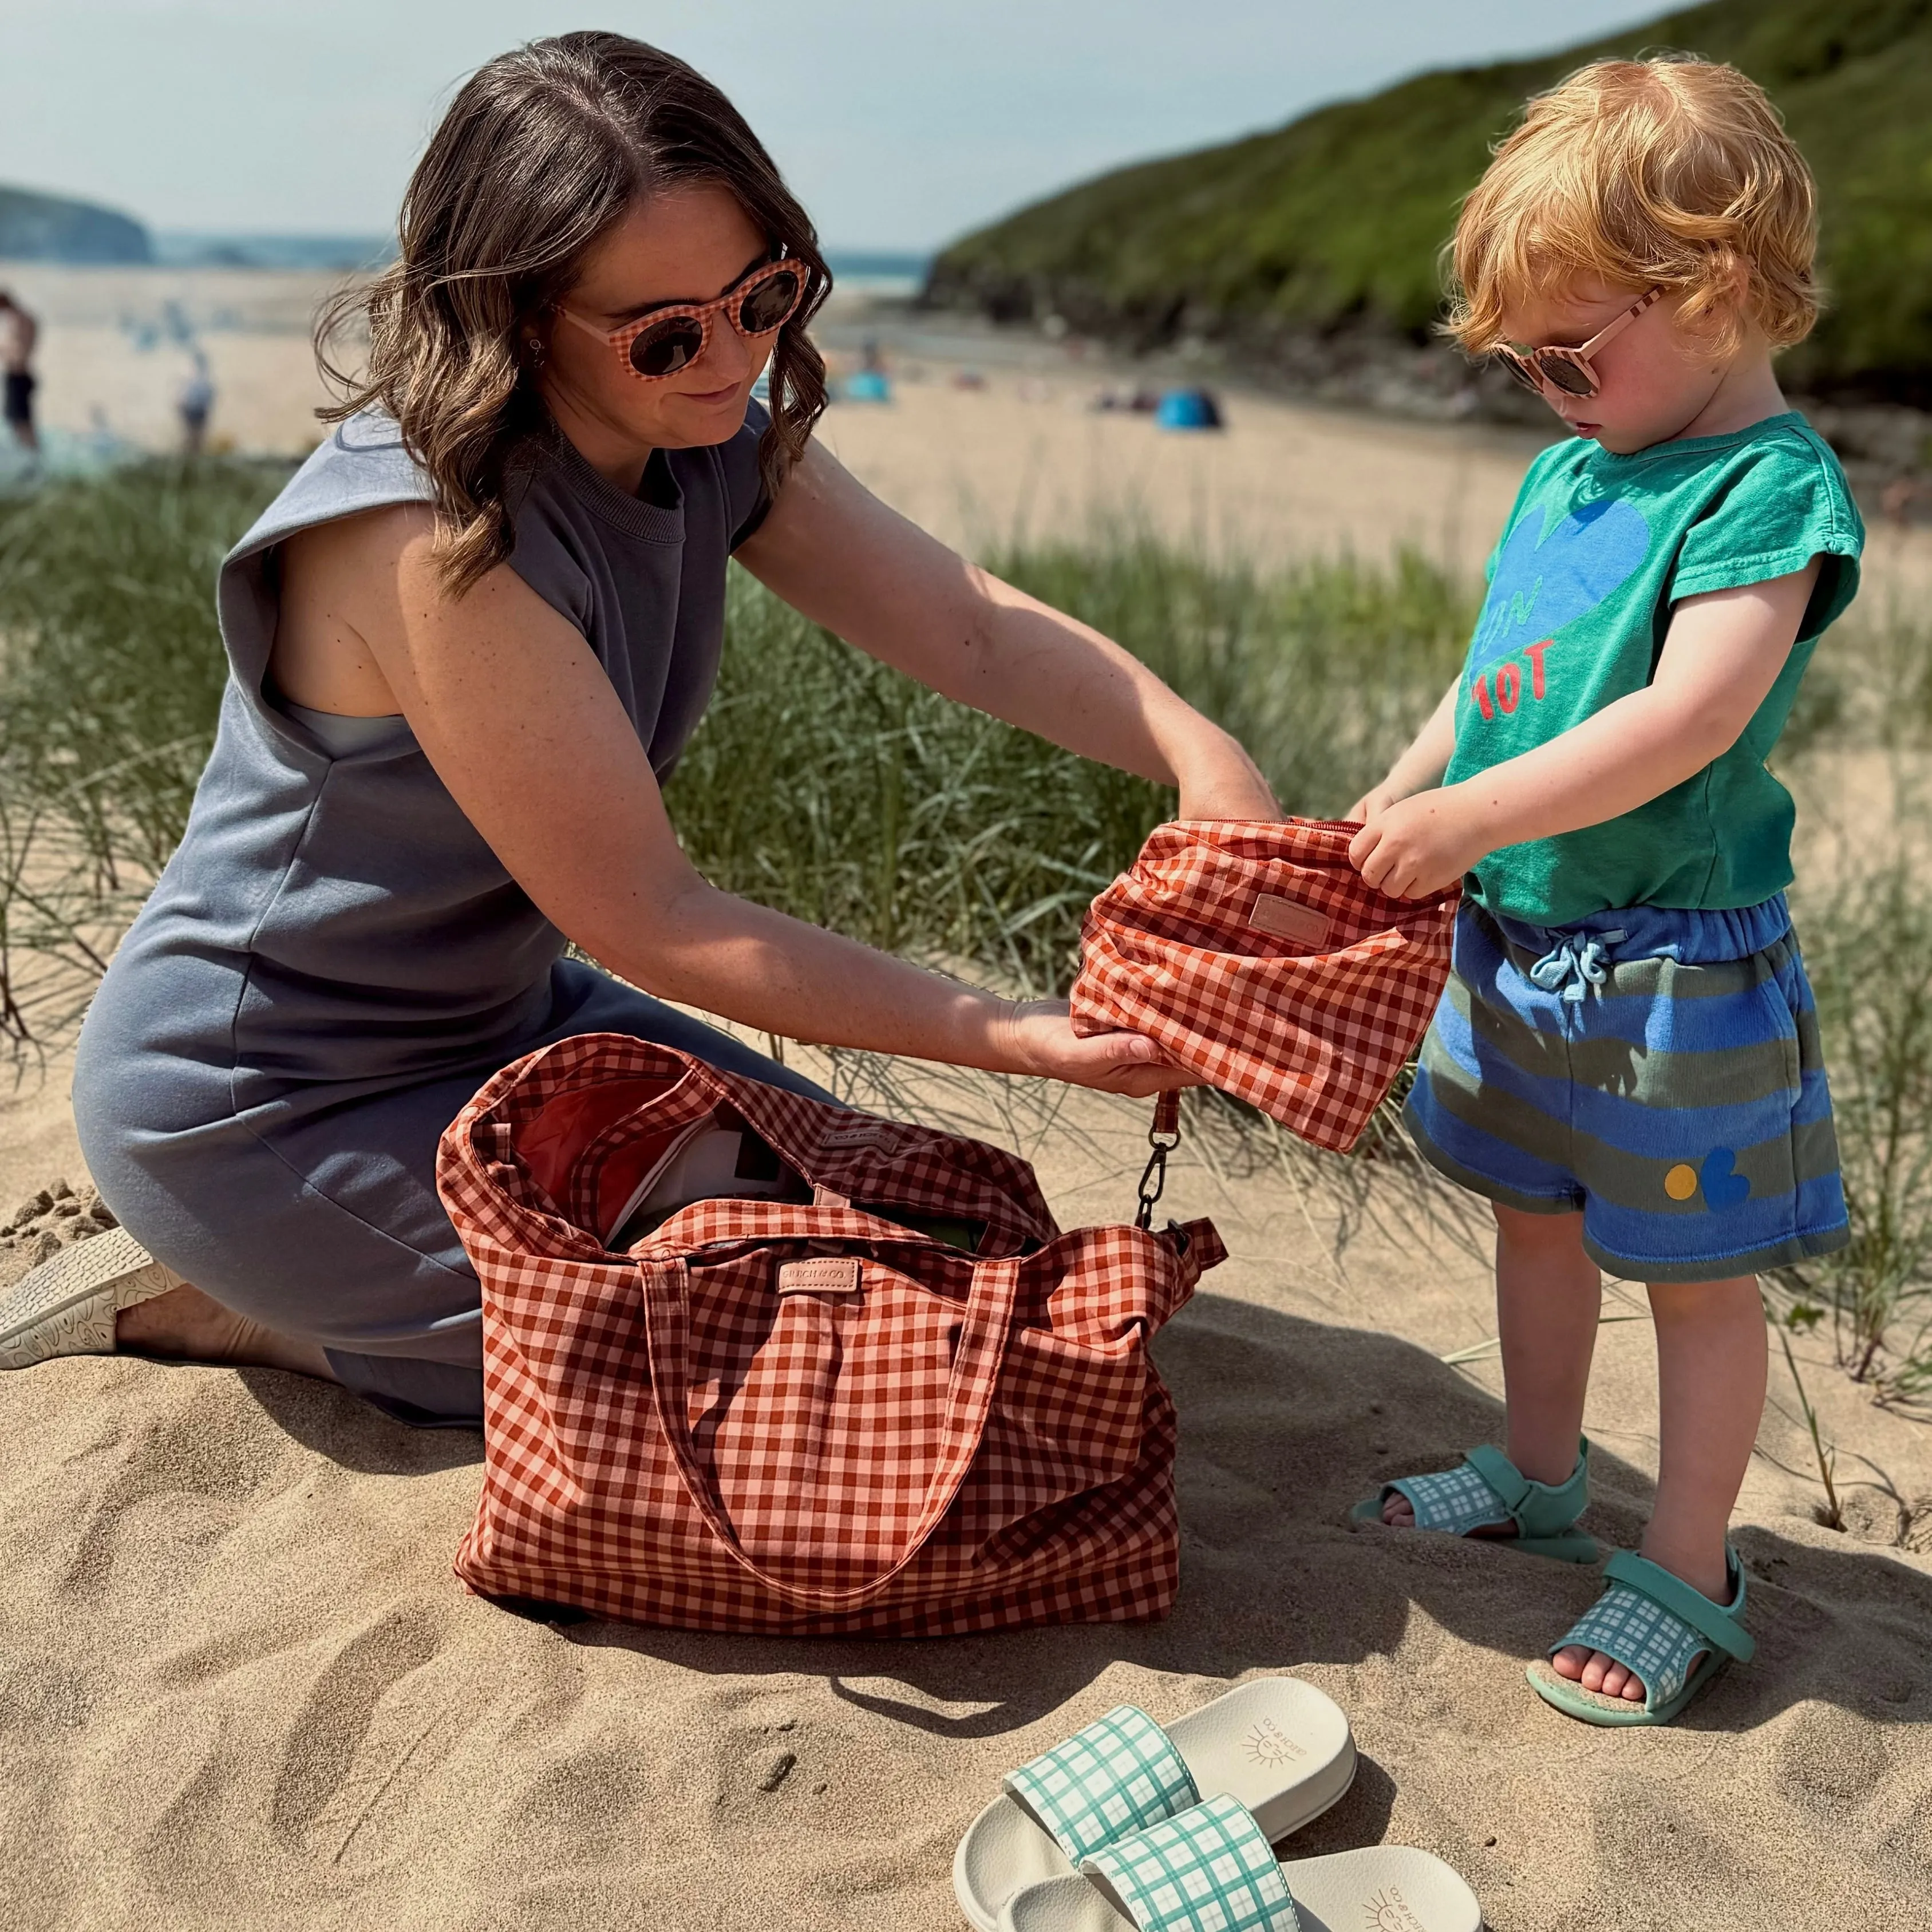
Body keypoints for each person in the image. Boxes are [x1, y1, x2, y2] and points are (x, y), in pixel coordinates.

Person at [23, 34, 1275, 1427]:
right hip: (266, 1105)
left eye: (766, 295)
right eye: (669, 331)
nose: (735, 356)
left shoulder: (707, 421)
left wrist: (1198, 752)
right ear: (512, 317)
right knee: (802, 1364)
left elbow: (966, 624)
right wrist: (1030, 1035)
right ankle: (241, 1311)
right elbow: (658, 918)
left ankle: (405, 1308)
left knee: (936, 1247)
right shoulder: (430, 537)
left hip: (509, 1026)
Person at [1347, 57, 1860, 1725]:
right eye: (1524, 366)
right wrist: (1421, 786)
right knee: (1533, 1217)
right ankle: (1541, 1468)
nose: (1552, 392)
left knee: (1695, 1282)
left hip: (1670, 972)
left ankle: (1692, 1559)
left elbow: (1687, 715)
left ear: (1710, 289)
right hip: (1522, 937)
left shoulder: (1763, 491)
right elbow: (1504, 669)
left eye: (1573, 355)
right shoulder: (1571, 471)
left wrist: (1469, 817)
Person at [0, 290, 39, 452]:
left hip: (19, 374)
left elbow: (19, 352)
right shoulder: (22, 319)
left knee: (21, 421)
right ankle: (28, 455)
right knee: (17, 420)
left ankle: (31, 456)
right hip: (17, 374)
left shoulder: (19, 320)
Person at [179, 350, 215, 455]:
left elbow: (207, 397)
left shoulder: (200, 380)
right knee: (194, 436)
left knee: (195, 436)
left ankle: (193, 454)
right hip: (195, 411)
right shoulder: (198, 379)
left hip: (197, 411)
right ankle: (192, 454)